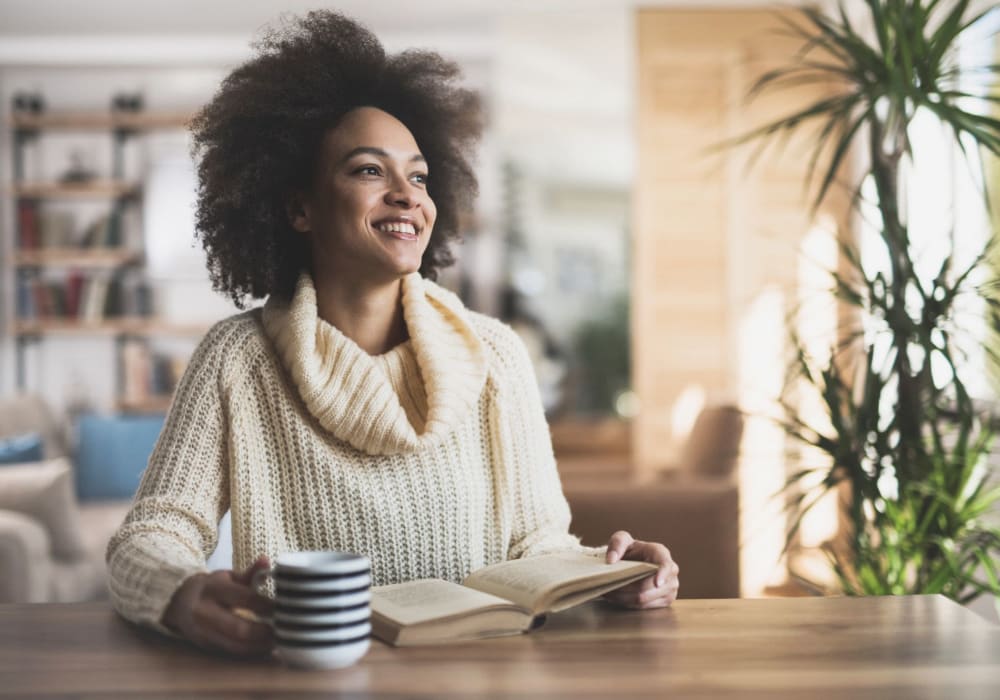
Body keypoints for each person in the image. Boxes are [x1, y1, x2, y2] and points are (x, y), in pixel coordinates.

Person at [106, 10, 679, 657]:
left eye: (420, 175)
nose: (408, 195)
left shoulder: (495, 355)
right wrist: (177, 591)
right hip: (306, 677)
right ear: (299, 207)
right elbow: (150, 534)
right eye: (369, 170)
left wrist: (611, 572)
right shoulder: (236, 359)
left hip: (480, 674)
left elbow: (538, 545)